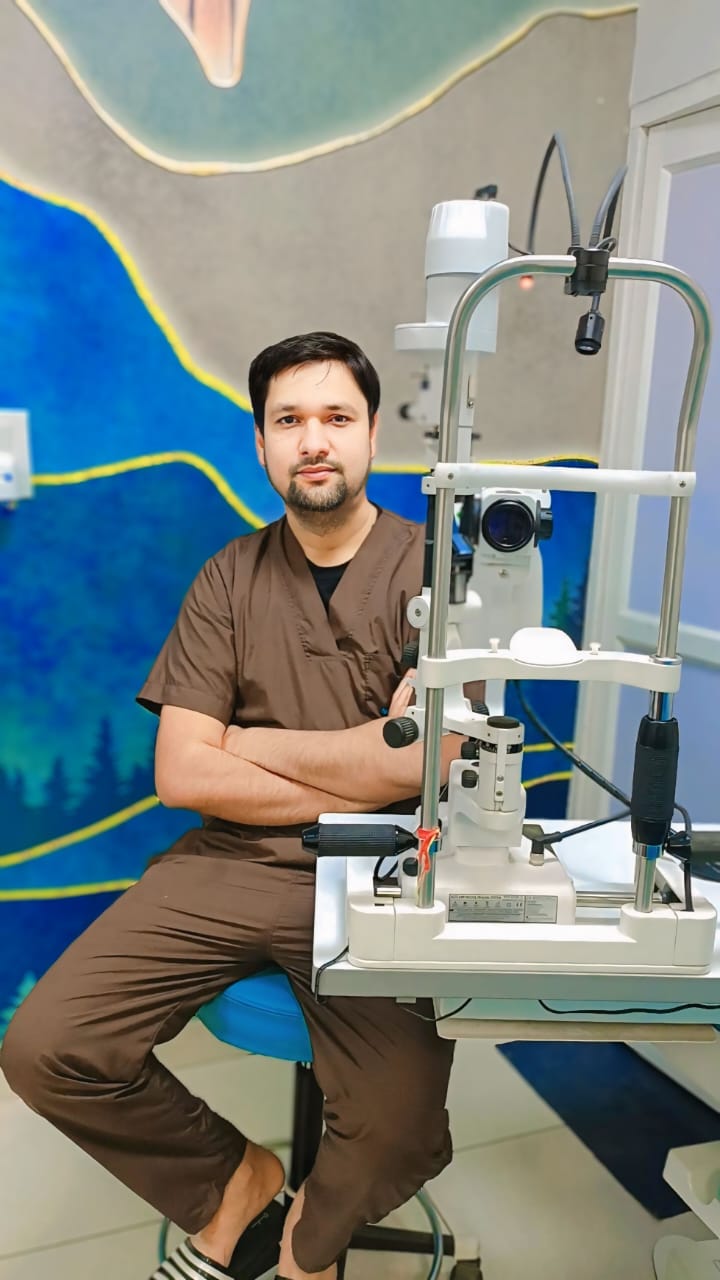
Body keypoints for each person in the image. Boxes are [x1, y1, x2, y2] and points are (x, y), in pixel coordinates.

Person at [1, 332, 466, 1280]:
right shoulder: (228, 578)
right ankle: (235, 1183)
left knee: (397, 1128)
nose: (314, 441)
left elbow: (428, 767)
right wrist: (366, 757)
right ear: (260, 445)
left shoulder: (441, 579)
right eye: (289, 421)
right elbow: (184, 775)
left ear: (374, 435)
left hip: (381, 870)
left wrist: (245, 745)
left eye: (336, 418)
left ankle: (305, 1248)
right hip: (230, 863)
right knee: (45, 1048)